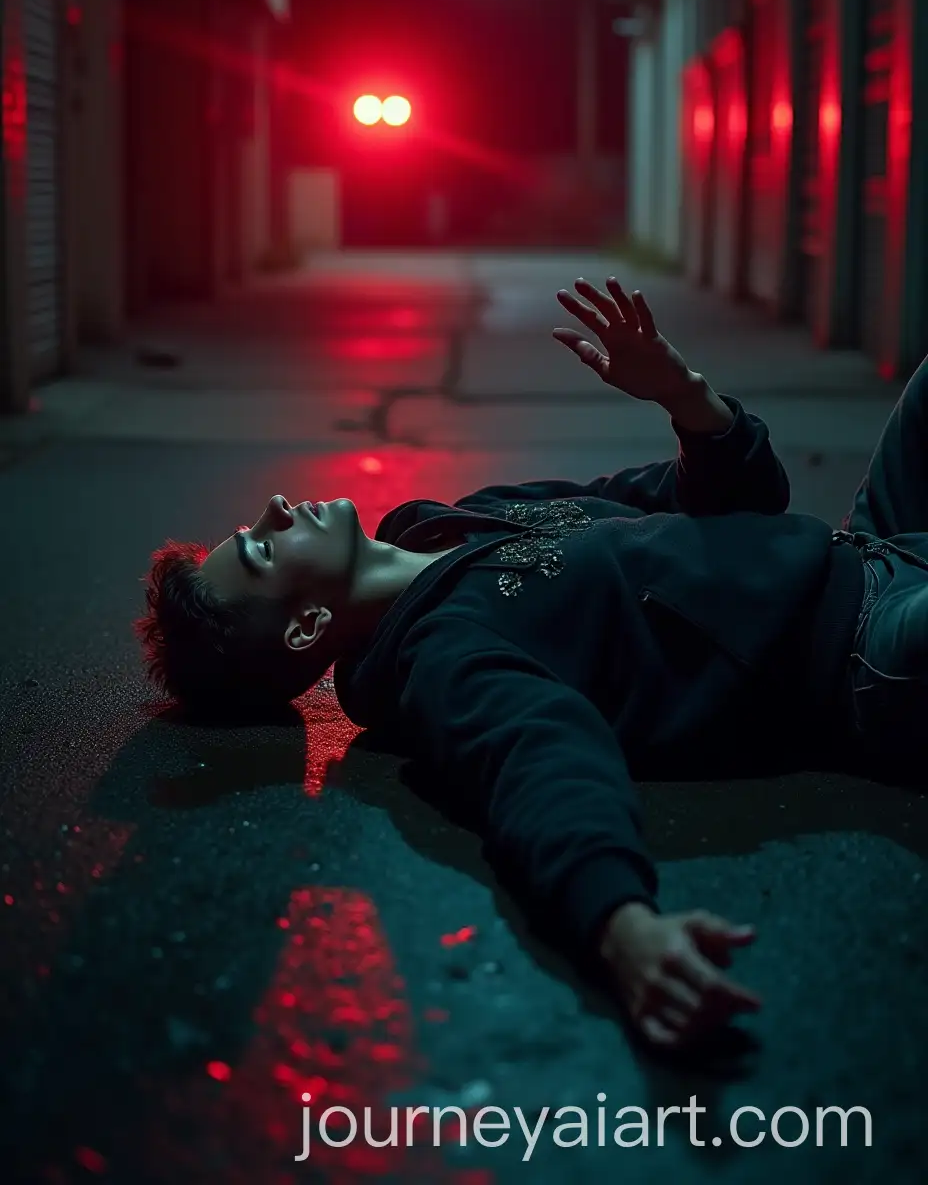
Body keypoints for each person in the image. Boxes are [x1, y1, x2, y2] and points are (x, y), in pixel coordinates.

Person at [136, 276, 928, 1050]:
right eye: (264, 547)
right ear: (308, 625)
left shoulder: (451, 523)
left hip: (870, 543)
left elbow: (743, 496)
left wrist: (683, 398)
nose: (275, 509)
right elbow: (540, 760)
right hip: (870, 648)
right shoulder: (443, 657)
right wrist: (622, 925)